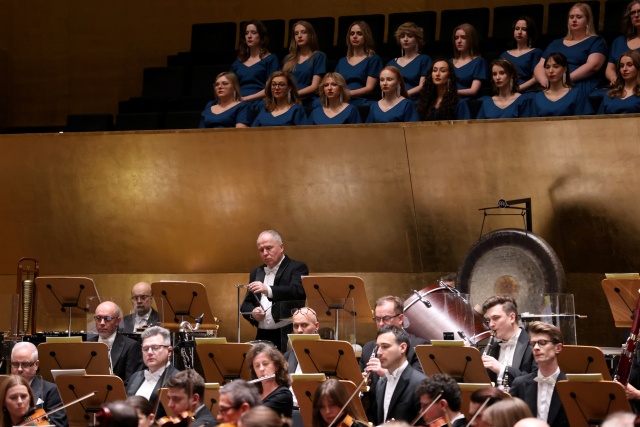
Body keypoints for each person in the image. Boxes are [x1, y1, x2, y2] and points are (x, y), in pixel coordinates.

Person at [360, 296, 428, 420]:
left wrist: (384, 373)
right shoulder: (368, 348)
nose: (381, 324)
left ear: (400, 318)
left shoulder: (419, 346)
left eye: (386, 318)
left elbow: (416, 385)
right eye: (377, 319)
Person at [240, 230, 309, 352]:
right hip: (262, 335)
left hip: (286, 333)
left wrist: (269, 290)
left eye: (269, 248)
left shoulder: (297, 267)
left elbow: (297, 291)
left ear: (281, 247)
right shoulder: (256, 272)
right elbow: (245, 304)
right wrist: (252, 313)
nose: (265, 253)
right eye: (261, 250)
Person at [533, 3, 607, 94]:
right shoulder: (555, 43)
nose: (574, 20)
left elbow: (593, 66)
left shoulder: (596, 41)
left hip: (578, 84)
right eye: (571, 17)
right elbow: (540, 66)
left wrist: (564, 80)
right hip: (551, 84)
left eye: (579, 17)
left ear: (588, 21)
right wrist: (543, 80)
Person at [509, 322, 569, 427]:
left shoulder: (570, 386)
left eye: (542, 342)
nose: (536, 348)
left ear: (558, 348)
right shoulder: (520, 384)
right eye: (533, 344)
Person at [373, 325, 427, 425]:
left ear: (402, 348)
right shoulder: (381, 382)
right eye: (378, 347)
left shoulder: (421, 383)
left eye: (385, 346)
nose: (379, 352)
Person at [481, 295, 536, 390]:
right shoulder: (490, 349)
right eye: (488, 320)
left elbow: (534, 381)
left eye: (496, 318)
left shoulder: (533, 345)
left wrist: (501, 369)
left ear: (512, 317)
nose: (491, 325)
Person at [10, 342, 67, 427]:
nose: (19, 369)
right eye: (15, 364)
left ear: (36, 365)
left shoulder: (51, 391)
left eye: (25, 364)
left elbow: (58, 424)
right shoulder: (3, 388)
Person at [125, 326, 180, 416]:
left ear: (169, 351)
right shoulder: (135, 377)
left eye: (155, 348)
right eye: (146, 349)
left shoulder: (178, 380)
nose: (149, 352)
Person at [88, 301, 144, 384]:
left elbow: (131, 383)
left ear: (118, 321)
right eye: (98, 318)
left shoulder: (131, 346)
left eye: (108, 318)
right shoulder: (87, 345)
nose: (102, 323)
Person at [230, 20, 279, 108]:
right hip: (238, 101)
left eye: (253, 33)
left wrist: (246, 99)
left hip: (260, 101)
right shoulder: (237, 63)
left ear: (261, 36)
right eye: (246, 33)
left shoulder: (271, 59)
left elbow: (271, 88)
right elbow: (231, 86)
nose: (249, 36)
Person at [334, 21, 383, 105]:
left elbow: (369, 88)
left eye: (359, 33)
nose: (355, 36)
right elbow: (335, 84)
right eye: (352, 34)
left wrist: (347, 94)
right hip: (341, 101)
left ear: (366, 36)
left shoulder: (373, 59)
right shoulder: (342, 61)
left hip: (362, 100)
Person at [530, 52, 594, 117]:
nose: (551, 71)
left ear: (565, 69)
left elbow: (585, 122)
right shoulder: (538, 97)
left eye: (556, 66)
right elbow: (531, 124)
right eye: (547, 67)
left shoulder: (577, 94)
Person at [282, 21, 326, 105]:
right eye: (296, 33)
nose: (299, 36)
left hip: (308, 98)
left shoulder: (318, 56)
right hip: (287, 98)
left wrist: (293, 95)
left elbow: (314, 86)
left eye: (303, 32)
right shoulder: (288, 59)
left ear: (310, 35)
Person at [246, 342, 293, 418]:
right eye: (257, 366)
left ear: (276, 366)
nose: (261, 369)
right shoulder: (253, 394)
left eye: (265, 364)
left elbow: (255, 418)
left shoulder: (283, 395)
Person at [387, 22, 432, 100]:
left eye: (410, 36)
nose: (405, 39)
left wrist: (402, 96)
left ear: (417, 40)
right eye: (402, 36)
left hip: (415, 101)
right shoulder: (391, 63)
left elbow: (422, 86)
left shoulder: (424, 59)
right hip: (393, 100)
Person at [500, 16, 543, 92]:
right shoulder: (504, 55)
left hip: (528, 91)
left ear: (530, 33)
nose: (519, 32)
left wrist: (518, 89)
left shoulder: (536, 52)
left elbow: (536, 78)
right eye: (517, 29)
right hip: (507, 92)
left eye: (524, 29)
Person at [605, 1, 640, 87]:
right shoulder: (619, 41)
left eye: (639, 11)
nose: (636, 15)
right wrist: (613, 77)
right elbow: (610, 68)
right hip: (621, 87)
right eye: (632, 13)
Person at [451, 23, 488, 98]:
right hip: (448, 100)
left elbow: (473, 90)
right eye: (456, 38)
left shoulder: (479, 62)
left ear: (471, 40)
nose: (459, 41)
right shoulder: (449, 62)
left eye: (463, 37)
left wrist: (452, 92)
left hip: (466, 101)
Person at [283, 307, 320, 373]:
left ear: (316, 326)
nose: (299, 330)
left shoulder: (329, 355)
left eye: (304, 325)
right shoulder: (287, 357)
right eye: (296, 326)